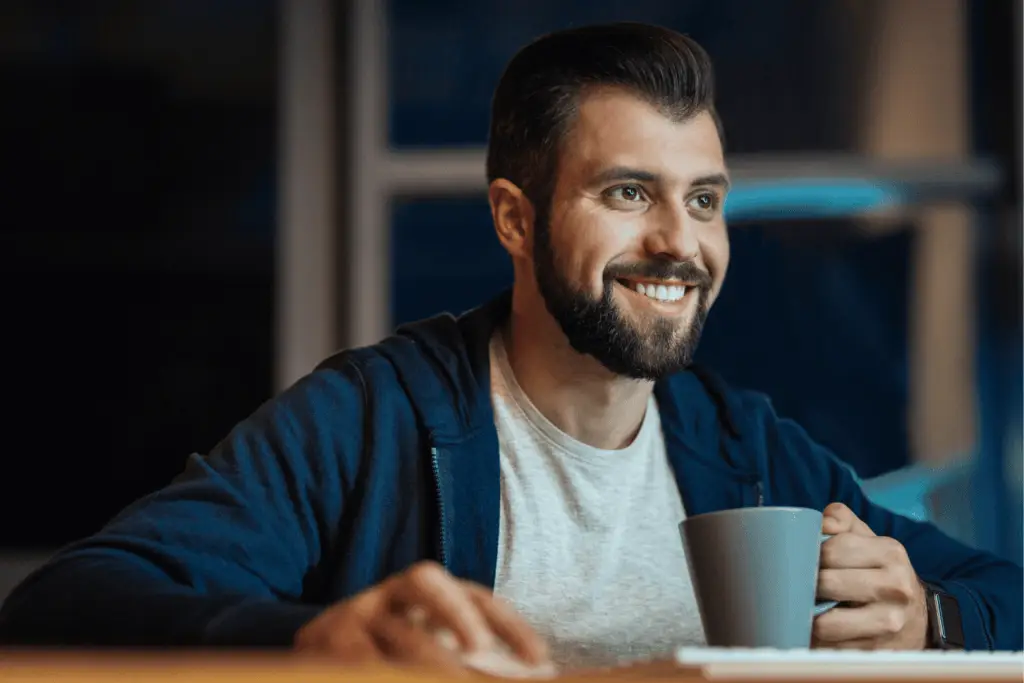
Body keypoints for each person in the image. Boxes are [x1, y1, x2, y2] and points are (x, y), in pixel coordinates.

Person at [0, 22, 1020, 671]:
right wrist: (313, 640)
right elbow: (63, 604)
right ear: (514, 219)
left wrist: (927, 615)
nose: (680, 240)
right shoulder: (374, 417)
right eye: (629, 192)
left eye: (702, 199)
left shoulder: (747, 448)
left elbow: (1006, 592)